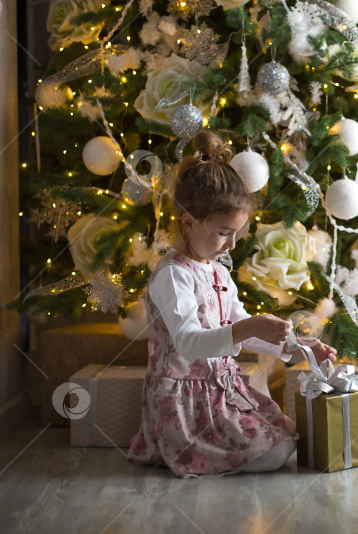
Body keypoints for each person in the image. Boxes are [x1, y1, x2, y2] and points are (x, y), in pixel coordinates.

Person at [127, 130, 337, 478]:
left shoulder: (218, 271)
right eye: (224, 232)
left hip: (223, 389)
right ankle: (193, 450)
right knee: (278, 451)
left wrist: (298, 348)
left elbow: (238, 329)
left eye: (237, 233)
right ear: (189, 222)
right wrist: (248, 326)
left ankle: (238, 443)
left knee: (285, 431)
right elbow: (189, 343)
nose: (232, 244)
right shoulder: (173, 275)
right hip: (187, 400)